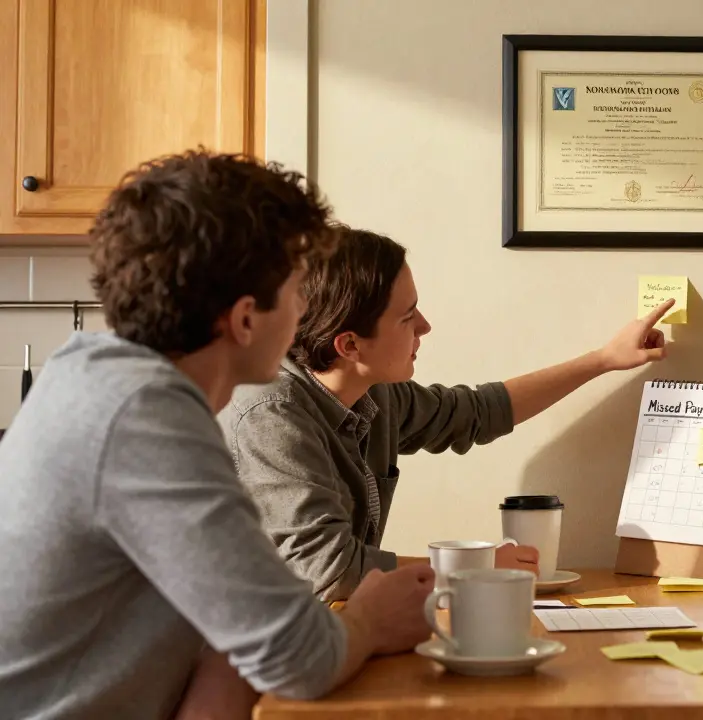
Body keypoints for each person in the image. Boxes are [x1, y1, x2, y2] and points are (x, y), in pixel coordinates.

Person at [0, 151, 436, 719]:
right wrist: (371, 621)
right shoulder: (142, 418)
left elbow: (250, 635)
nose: (307, 314)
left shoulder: (97, 378)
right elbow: (297, 656)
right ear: (246, 318)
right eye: (299, 291)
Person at [219, 227, 673, 602]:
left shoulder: (375, 393)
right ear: (350, 344)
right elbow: (329, 570)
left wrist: (604, 359)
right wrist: (472, 569)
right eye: (407, 316)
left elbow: (476, 412)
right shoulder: (271, 415)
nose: (425, 327)